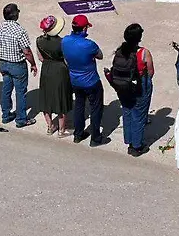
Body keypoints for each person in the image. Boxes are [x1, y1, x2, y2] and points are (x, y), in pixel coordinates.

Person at [62, 14, 107, 146]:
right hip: (91, 81)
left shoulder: (65, 41)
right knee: (96, 108)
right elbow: (100, 56)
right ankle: (95, 137)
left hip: (75, 80)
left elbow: (65, 58)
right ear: (84, 29)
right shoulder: (89, 44)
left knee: (79, 106)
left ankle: (78, 134)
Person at [0, 3, 38, 128]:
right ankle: (21, 119)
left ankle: (6, 115)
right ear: (14, 15)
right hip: (17, 65)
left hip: (4, 63)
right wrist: (33, 64)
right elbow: (27, 52)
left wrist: (2, 59)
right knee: (20, 92)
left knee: (6, 90)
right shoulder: (20, 31)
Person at [116, 23, 154, 156]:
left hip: (123, 86)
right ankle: (136, 146)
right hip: (139, 85)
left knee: (127, 112)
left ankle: (129, 140)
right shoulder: (143, 52)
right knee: (139, 114)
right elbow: (150, 72)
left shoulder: (120, 50)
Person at [36, 15, 73, 138]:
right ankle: (62, 130)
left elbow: (40, 58)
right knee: (61, 99)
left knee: (46, 98)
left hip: (46, 69)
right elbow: (67, 60)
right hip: (60, 70)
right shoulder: (62, 42)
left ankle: (50, 126)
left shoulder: (39, 40)